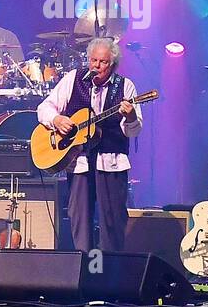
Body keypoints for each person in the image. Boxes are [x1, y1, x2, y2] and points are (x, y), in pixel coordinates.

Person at [37, 37, 141, 252]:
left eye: (102, 62)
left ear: (112, 64)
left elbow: (134, 129)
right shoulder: (73, 79)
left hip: (111, 162)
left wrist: (130, 117)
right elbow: (44, 108)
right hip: (80, 162)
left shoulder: (125, 86)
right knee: (79, 218)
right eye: (93, 60)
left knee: (112, 221)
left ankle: (111, 273)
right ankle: (82, 270)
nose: (96, 66)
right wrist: (57, 120)